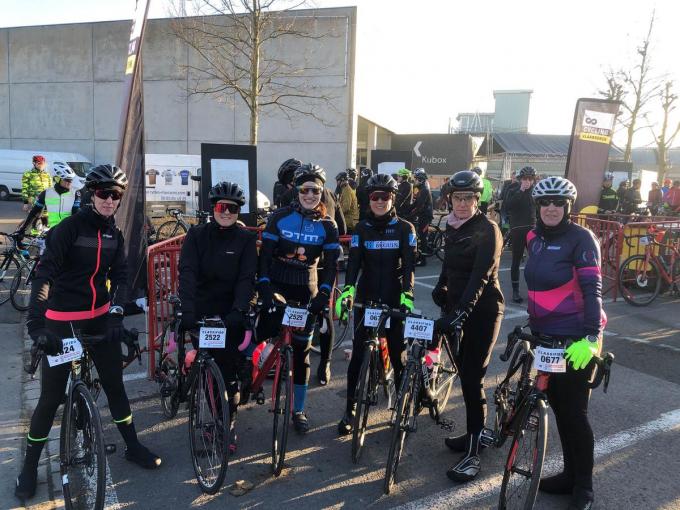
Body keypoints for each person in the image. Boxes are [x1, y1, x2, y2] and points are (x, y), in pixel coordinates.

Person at [15, 164, 161, 501]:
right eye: (103, 193)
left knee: (115, 386)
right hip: (61, 321)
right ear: (90, 194)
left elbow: (122, 277)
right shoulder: (68, 229)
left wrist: (117, 312)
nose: (110, 200)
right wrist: (37, 324)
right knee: (50, 399)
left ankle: (132, 446)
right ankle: (29, 467)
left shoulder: (114, 234)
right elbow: (45, 275)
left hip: (98, 320)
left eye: (116, 195)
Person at [526, 176, 605, 510]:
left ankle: (583, 487)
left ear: (568, 206)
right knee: (557, 409)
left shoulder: (581, 239)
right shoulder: (532, 237)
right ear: (538, 206)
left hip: (576, 339)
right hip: (546, 339)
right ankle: (569, 475)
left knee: (574, 413)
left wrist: (590, 336)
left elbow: (592, 291)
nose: (551, 208)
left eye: (558, 202)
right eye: (545, 202)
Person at [256, 164, 340, 433]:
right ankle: (247, 383)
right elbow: (265, 257)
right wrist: (265, 286)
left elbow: (330, 265)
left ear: (321, 192)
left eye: (315, 190)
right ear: (296, 190)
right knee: (258, 334)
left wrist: (324, 293)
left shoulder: (328, 225)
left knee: (302, 353)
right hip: (278, 287)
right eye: (305, 189)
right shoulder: (280, 217)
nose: (310, 194)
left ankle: (299, 410)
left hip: (307, 289)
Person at [432, 170, 504, 482]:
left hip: (483, 309)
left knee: (473, 377)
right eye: (457, 198)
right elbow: (449, 262)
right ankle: (475, 431)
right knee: (464, 374)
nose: (462, 203)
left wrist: (462, 310)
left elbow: (481, 275)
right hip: (457, 307)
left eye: (469, 198)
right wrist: (441, 284)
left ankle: (473, 452)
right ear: (450, 199)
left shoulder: (488, 229)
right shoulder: (451, 224)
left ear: (478, 199)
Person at [178, 181, 257, 453]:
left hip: (229, 313)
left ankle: (227, 423)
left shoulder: (245, 239)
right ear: (213, 208)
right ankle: (209, 404)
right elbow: (187, 273)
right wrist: (187, 310)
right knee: (210, 368)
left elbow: (247, 278)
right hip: (200, 310)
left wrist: (238, 310)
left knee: (228, 373)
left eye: (233, 208)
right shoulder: (197, 235)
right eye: (222, 207)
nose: (227, 212)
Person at [335, 173, 416, 434]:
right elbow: (354, 263)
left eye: (385, 196)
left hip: (393, 298)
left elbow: (409, 266)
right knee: (358, 356)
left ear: (393, 198)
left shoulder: (405, 229)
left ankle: (402, 407)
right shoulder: (362, 229)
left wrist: (407, 295)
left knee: (397, 354)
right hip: (366, 299)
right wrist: (347, 291)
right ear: (369, 199)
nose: (380, 201)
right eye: (374, 196)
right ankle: (350, 411)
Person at [15, 162, 81, 238]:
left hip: (68, 231)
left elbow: (76, 214)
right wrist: (23, 229)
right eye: (67, 180)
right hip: (51, 231)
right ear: (57, 179)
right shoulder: (46, 193)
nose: (70, 182)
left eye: (71, 180)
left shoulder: (75, 193)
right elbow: (34, 212)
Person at [504, 166, 537, 303]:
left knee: (536, 261)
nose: (527, 181)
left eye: (530, 179)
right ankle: (515, 292)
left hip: (532, 230)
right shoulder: (512, 190)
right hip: (517, 230)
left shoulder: (536, 192)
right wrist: (521, 190)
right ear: (520, 179)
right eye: (525, 178)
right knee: (516, 261)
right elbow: (508, 206)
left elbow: (541, 208)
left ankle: (535, 290)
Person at [21, 155, 52, 230]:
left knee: (46, 219)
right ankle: (33, 237)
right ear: (34, 163)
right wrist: (25, 202)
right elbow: (25, 189)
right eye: (39, 163)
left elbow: (51, 188)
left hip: (46, 200)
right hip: (34, 200)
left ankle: (44, 235)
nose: (41, 165)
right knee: (35, 219)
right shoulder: (28, 174)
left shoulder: (47, 175)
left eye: (43, 163)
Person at [411, 168, 433, 266]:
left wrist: (411, 214)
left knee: (423, 237)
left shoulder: (424, 189)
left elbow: (420, 206)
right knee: (420, 235)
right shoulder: (421, 187)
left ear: (421, 179)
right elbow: (416, 202)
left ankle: (423, 260)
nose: (414, 180)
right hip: (423, 214)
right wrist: (407, 209)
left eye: (416, 178)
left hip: (426, 216)